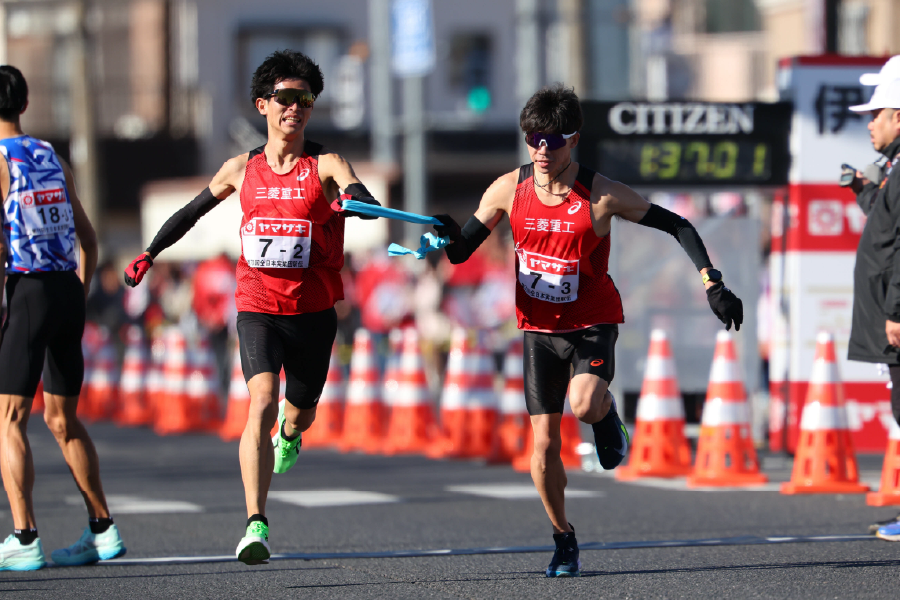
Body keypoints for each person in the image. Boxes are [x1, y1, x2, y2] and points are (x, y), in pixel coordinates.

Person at [432, 84, 743, 577]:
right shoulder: (507, 189)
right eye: (533, 139)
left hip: (592, 323)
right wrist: (443, 232)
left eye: (553, 141)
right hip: (538, 330)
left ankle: (605, 415)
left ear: (573, 140)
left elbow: (679, 225)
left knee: (583, 404)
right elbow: (459, 250)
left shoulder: (601, 195)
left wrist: (713, 283)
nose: (541, 150)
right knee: (543, 447)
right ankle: (563, 536)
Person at [122, 50, 379, 565]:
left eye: (305, 99)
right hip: (257, 304)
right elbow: (191, 212)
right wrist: (150, 252)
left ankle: (291, 432)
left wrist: (350, 200)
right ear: (263, 104)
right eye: (285, 98)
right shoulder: (242, 169)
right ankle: (255, 523)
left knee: (298, 414)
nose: (295, 107)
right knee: (260, 399)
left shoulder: (326, 164)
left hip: (313, 311)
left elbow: (366, 202)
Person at [0, 65, 125, 571]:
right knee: (62, 419)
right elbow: (88, 239)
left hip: (28, 291)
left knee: (9, 419)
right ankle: (102, 529)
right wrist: (79, 290)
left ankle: (24, 536)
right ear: (25, 105)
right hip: (67, 289)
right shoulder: (50, 155)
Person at [843, 64, 900, 541]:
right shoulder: (894, 170)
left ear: (899, 116)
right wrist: (865, 189)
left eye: (876, 113)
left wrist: (897, 310)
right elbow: (887, 223)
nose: (869, 123)